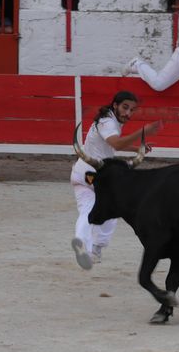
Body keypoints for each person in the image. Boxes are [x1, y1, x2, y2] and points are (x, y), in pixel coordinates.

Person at [69, 90, 162, 268]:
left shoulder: (107, 120)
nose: (128, 113)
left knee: (87, 209)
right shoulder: (108, 122)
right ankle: (96, 248)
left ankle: (83, 244)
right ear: (115, 105)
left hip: (81, 172)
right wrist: (143, 131)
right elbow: (116, 144)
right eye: (125, 107)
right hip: (95, 176)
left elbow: (110, 146)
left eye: (132, 110)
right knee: (113, 207)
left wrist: (136, 149)